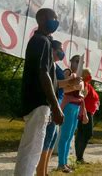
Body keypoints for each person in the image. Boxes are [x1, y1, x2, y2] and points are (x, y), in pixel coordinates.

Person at [15, 8, 64, 176]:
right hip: (38, 102)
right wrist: (56, 106)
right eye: (53, 18)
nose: (56, 22)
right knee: (31, 150)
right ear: (42, 19)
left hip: (41, 104)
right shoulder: (40, 41)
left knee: (34, 149)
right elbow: (43, 74)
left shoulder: (43, 41)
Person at [36, 41, 81, 176]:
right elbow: (54, 84)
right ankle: (40, 171)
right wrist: (69, 82)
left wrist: (73, 85)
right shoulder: (49, 66)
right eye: (60, 49)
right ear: (52, 50)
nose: (62, 52)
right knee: (48, 137)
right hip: (51, 105)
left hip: (56, 103)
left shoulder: (55, 66)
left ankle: (44, 170)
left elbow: (62, 86)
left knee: (52, 136)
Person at [58, 55, 88, 173]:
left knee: (70, 136)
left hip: (76, 107)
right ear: (71, 62)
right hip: (69, 106)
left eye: (80, 62)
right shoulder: (68, 72)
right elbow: (63, 89)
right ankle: (61, 163)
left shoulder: (80, 78)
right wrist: (74, 86)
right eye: (76, 61)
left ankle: (65, 162)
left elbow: (81, 96)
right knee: (65, 136)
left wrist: (84, 112)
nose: (78, 64)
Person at [75, 68, 100, 164]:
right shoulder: (84, 84)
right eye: (88, 74)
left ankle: (79, 157)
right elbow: (81, 98)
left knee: (82, 134)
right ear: (83, 75)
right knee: (86, 134)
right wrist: (84, 113)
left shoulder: (88, 85)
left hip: (88, 112)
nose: (90, 76)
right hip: (86, 113)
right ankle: (79, 157)